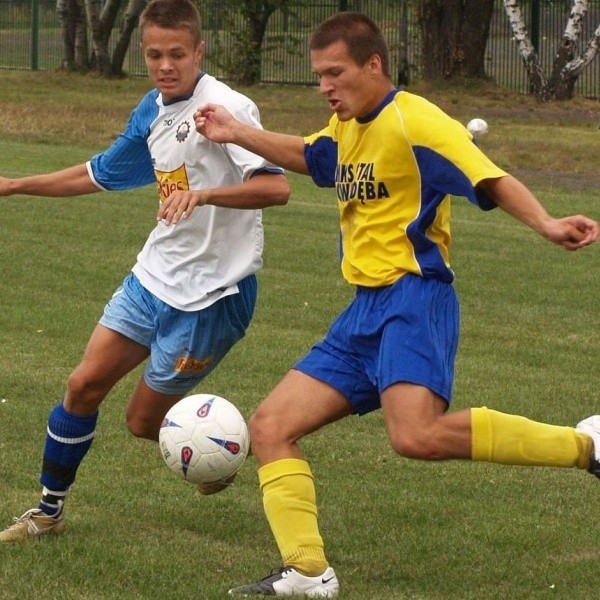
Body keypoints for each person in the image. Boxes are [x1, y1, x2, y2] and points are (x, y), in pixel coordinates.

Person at [189, 11, 600, 597]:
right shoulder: (349, 125)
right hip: (363, 311)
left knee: (416, 437)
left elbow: (490, 177)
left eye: (335, 73)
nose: (325, 87)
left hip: (415, 298)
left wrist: (547, 223)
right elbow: (312, 156)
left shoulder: (417, 122)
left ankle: (587, 447)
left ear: (373, 65)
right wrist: (235, 130)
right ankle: (308, 570)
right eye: (319, 76)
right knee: (272, 425)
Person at [0, 0, 290, 543]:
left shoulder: (228, 107)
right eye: (155, 54)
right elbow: (100, 174)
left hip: (211, 296)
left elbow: (277, 187)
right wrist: (15, 185)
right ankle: (48, 512)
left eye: (177, 54)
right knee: (83, 385)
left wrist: (203, 196)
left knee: (141, 423)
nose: (165, 65)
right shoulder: (152, 110)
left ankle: (219, 447)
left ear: (199, 51)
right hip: (153, 277)